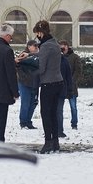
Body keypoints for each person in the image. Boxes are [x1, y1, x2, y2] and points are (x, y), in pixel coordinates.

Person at [36, 20, 63, 154]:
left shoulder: (45, 46)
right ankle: (55, 142)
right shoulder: (55, 44)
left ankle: (48, 142)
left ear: (41, 32)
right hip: (58, 82)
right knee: (53, 113)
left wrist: (27, 66)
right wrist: (31, 55)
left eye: (37, 33)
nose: (37, 36)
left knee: (45, 113)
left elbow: (41, 67)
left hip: (48, 83)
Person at [16, 39, 40, 129]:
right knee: (25, 103)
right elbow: (18, 66)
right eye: (35, 46)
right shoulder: (23, 55)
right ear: (29, 47)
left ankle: (28, 121)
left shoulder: (38, 56)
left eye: (37, 46)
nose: (37, 48)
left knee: (33, 103)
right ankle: (23, 122)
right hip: (25, 83)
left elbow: (39, 64)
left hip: (35, 82)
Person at [60, 40, 82, 130]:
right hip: (61, 85)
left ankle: (74, 123)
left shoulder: (75, 57)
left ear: (67, 46)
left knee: (73, 106)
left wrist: (72, 81)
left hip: (71, 86)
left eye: (63, 46)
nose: (62, 48)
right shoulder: (58, 57)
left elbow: (78, 70)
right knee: (59, 107)